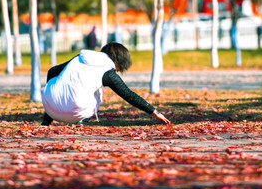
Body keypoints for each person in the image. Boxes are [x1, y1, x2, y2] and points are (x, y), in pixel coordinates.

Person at [41, 42, 171, 126]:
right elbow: (128, 95)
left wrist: (51, 99)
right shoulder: (108, 71)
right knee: (98, 92)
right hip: (74, 112)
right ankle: (82, 122)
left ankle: (46, 122)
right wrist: (154, 112)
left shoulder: (80, 57)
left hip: (49, 107)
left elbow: (52, 71)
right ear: (118, 61)